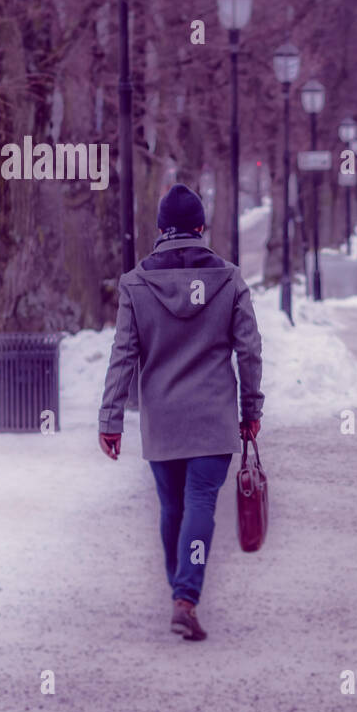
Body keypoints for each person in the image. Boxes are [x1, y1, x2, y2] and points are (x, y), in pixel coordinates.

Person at [98, 183, 264, 642]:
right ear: (200, 227)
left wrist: (110, 420)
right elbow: (249, 350)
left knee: (172, 507)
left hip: (163, 419)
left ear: (159, 231)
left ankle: (180, 591)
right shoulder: (229, 279)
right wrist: (251, 408)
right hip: (212, 418)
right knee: (200, 506)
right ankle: (185, 598)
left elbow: (123, 355)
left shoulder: (136, 284)